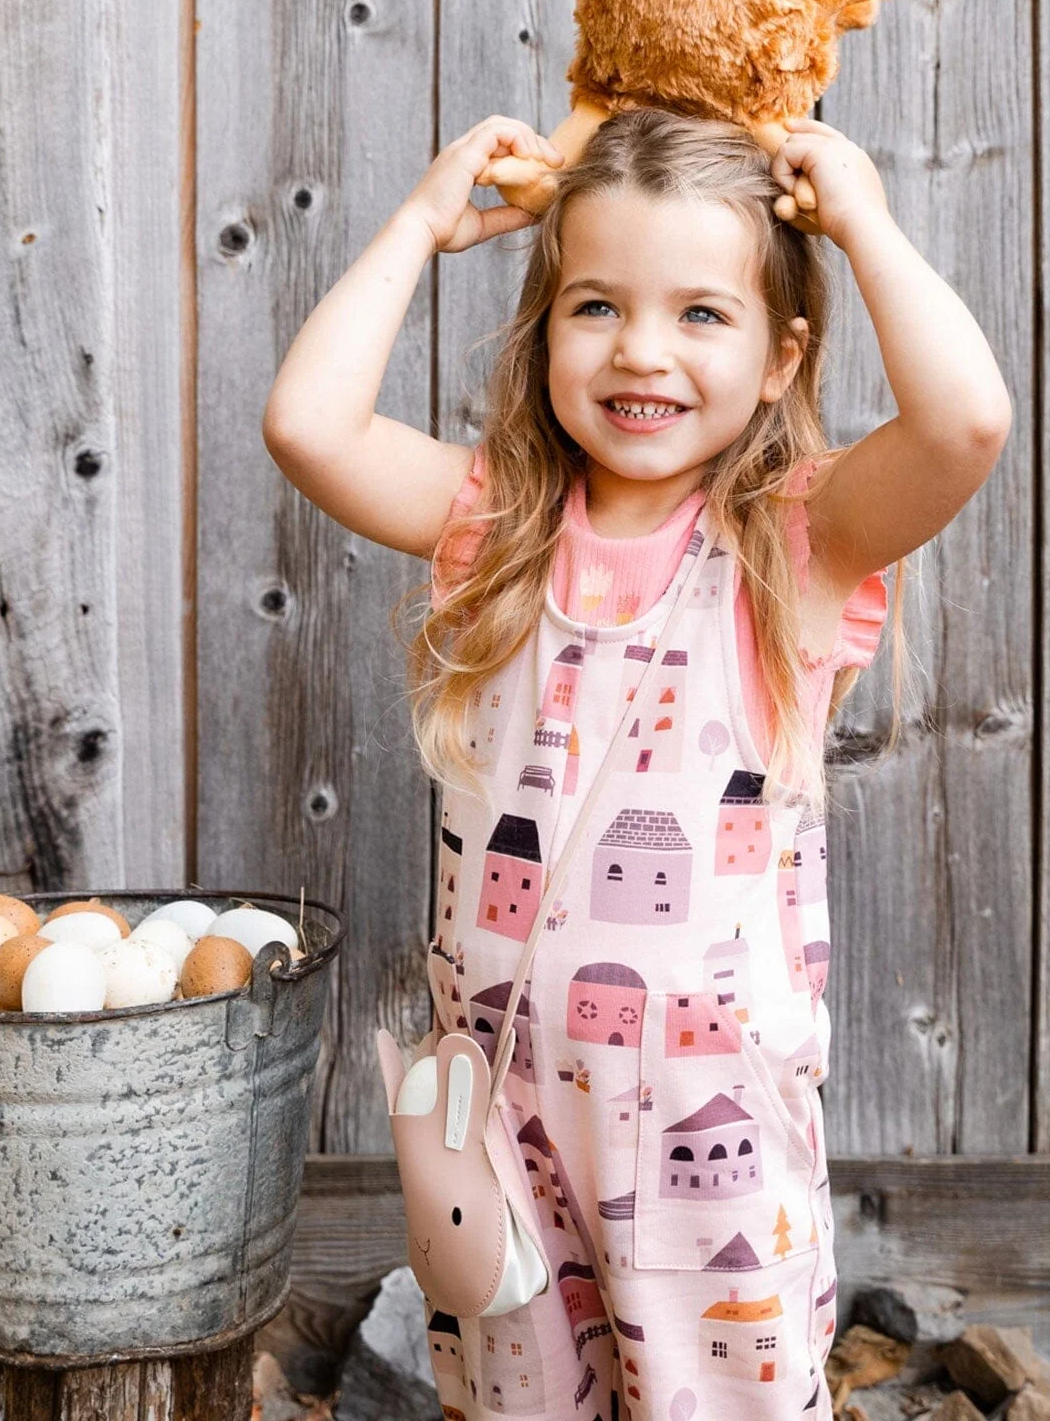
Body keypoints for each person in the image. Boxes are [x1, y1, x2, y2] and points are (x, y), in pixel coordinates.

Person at [262, 107, 1011, 1421]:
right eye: (596, 306)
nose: (642, 352)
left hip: (698, 1137)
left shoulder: (792, 543)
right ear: (546, 331)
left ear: (783, 358)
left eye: (702, 316)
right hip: (502, 1120)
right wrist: (420, 227)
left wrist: (866, 225)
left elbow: (964, 427)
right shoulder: (494, 525)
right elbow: (309, 429)